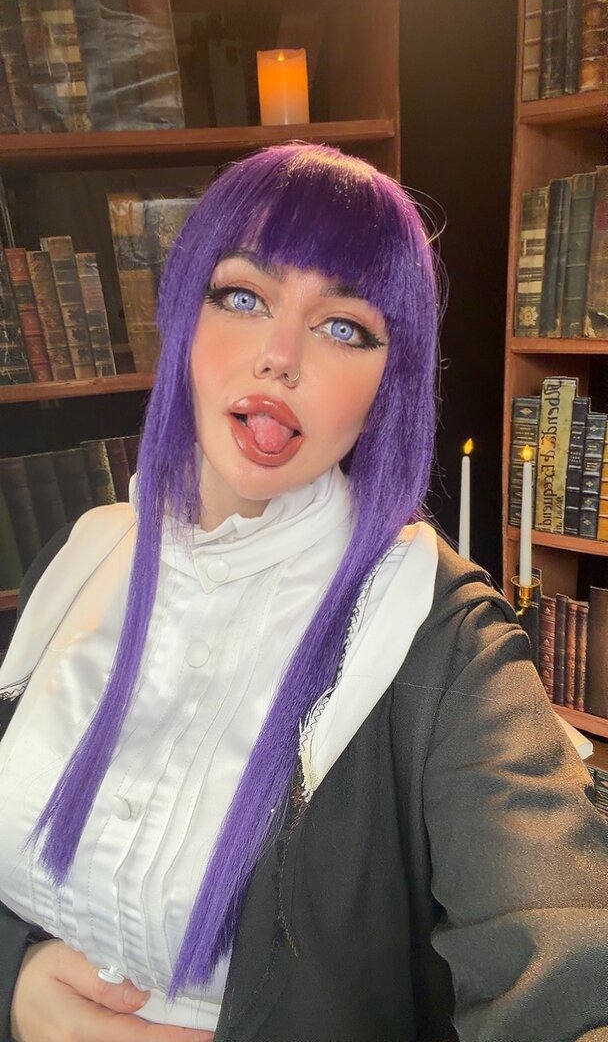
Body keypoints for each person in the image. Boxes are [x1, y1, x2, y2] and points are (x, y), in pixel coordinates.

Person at [0, 140, 607, 1042]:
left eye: (344, 327)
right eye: (243, 297)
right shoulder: (83, 556)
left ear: (387, 383)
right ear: (183, 313)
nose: (279, 357)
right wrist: (13, 983)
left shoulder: (443, 638)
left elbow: (558, 952)